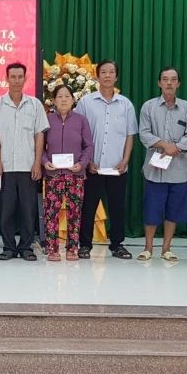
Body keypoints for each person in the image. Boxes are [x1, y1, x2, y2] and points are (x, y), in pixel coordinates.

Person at [0, 62, 49, 261]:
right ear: (6, 79)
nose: (16, 80)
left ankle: (26, 247)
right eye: (12, 77)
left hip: (28, 166)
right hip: (5, 167)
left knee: (28, 210)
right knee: (6, 210)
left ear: (25, 78)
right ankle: (9, 247)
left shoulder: (35, 104)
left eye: (20, 76)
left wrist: (37, 163)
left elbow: (40, 135)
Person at [74, 59, 137, 260]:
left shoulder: (125, 104)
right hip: (93, 167)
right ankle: (84, 245)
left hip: (117, 168)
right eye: (104, 72)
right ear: (97, 76)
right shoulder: (86, 102)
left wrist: (125, 160)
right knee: (88, 207)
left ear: (116, 76)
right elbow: (79, 134)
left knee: (117, 207)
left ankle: (117, 244)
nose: (108, 75)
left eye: (111, 72)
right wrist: (87, 161)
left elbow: (130, 135)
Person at [136, 67, 187, 261]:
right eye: (165, 79)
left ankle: (166, 248)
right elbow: (144, 133)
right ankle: (148, 248)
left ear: (178, 83)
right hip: (154, 170)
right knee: (152, 210)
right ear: (159, 83)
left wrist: (176, 147)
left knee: (173, 210)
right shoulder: (148, 107)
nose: (169, 83)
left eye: (173, 79)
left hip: (179, 170)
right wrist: (164, 145)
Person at [41, 85, 93, 262]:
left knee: (74, 213)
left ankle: (72, 248)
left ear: (73, 100)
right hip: (53, 175)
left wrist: (82, 164)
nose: (63, 99)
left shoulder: (81, 120)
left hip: (75, 175)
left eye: (67, 96)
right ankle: (52, 249)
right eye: (59, 96)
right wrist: (44, 162)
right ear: (54, 100)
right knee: (51, 213)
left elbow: (88, 146)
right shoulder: (47, 120)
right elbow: (40, 147)